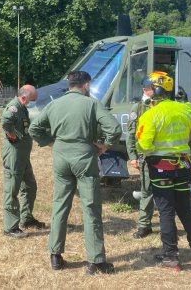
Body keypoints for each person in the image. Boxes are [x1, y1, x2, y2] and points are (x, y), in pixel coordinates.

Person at [29, 71, 122, 275]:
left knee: (60, 205)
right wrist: (104, 146)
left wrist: (51, 142)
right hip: (84, 157)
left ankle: (55, 255)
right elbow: (114, 128)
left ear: (69, 84)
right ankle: (96, 261)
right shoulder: (91, 104)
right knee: (90, 208)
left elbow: (34, 128)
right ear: (86, 85)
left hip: (61, 157)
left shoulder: (55, 104)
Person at [136, 71, 191, 271]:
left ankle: (171, 256)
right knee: (184, 208)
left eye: (149, 88)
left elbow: (143, 145)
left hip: (161, 167)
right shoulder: (186, 110)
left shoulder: (150, 114)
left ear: (156, 90)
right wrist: (184, 104)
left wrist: (152, 153)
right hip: (183, 165)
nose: (147, 91)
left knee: (166, 211)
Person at [1, 85, 45, 239]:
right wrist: (11, 134)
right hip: (15, 155)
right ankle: (11, 227)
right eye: (32, 101)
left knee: (30, 186)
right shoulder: (14, 107)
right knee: (12, 190)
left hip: (23, 156)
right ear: (24, 98)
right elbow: (5, 121)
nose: (32, 104)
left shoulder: (21, 107)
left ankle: (26, 218)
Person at [126, 79, 155, 238]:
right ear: (144, 89)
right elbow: (131, 134)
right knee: (147, 190)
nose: (154, 91)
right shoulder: (138, 107)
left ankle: (167, 224)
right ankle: (144, 225)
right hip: (145, 155)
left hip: (163, 155)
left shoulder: (163, 105)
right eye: (151, 88)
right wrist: (133, 156)